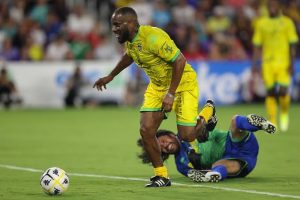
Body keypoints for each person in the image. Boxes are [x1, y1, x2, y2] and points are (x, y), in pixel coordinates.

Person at [93, 7, 214, 187]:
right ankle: (162, 176)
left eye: (117, 25)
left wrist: (171, 94)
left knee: (187, 135)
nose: (114, 29)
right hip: (158, 87)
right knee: (146, 130)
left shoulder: (153, 37)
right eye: (113, 25)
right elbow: (130, 56)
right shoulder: (132, 41)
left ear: (131, 24)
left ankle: (208, 113)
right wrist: (111, 75)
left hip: (183, 83)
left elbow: (179, 61)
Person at [137, 106, 276, 183]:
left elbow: (210, 118)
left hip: (236, 142)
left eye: (162, 141)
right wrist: (199, 170)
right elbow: (193, 174)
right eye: (161, 149)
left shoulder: (189, 130)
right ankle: (216, 175)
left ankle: (261, 124)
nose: (165, 146)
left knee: (235, 121)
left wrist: (206, 127)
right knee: (217, 167)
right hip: (239, 162)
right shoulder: (181, 164)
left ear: (169, 134)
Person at [252, 0, 298, 132]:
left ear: (280, 7)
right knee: (270, 92)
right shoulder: (261, 23)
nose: (271, 8)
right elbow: (257, 45)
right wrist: (255, 64)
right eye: (269, 6)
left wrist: (292, 62)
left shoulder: (287, 22)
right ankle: (272, 120)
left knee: (283, 91)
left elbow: (292, 43)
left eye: (274, 5)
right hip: (267, 63)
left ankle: (283, 112)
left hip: (283, 62)